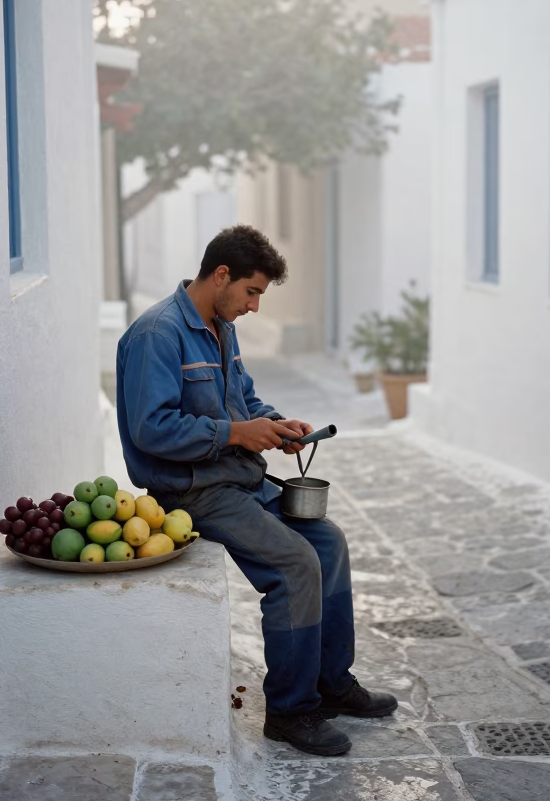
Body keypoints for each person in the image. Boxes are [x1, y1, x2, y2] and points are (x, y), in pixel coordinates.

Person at [116, 224, 396, 756]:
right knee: (295, 564)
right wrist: (236, 433)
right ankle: (290, 713)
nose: (254, 306)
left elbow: (241, 399)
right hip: (192, 490)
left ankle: (332, 684)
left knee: (329, 543)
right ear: (221, 275)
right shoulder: (158, 334)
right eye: (252, 292)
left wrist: (274, 424)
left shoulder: (222, 326)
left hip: (239, 478)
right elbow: (150, 429)